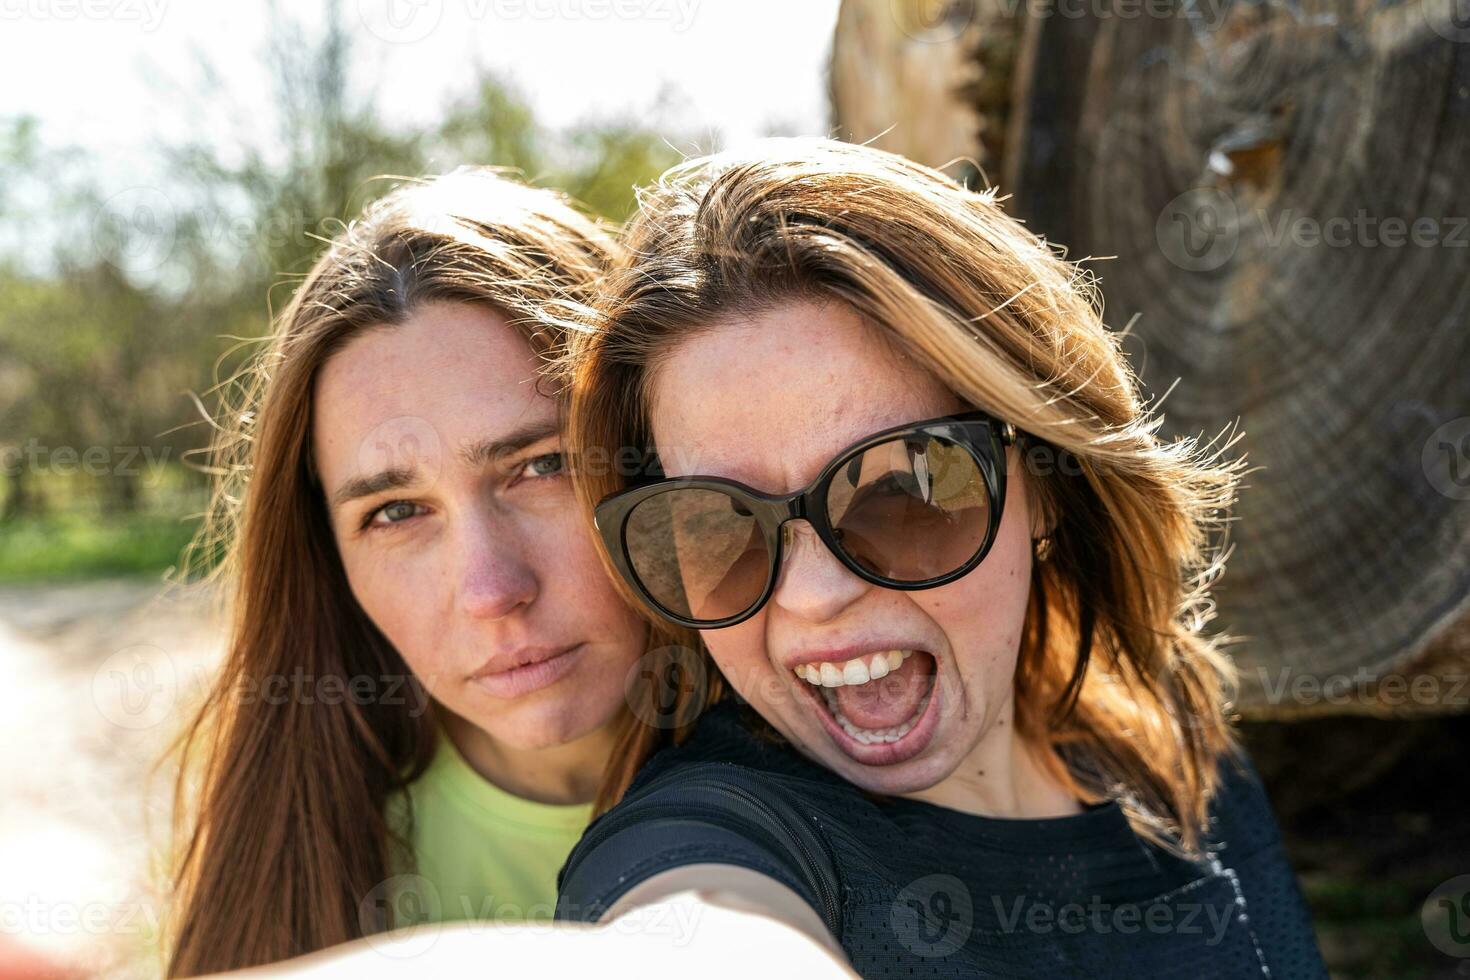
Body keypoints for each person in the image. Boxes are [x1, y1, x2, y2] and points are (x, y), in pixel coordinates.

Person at [556, 138, 1327, 978]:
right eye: (718, 525)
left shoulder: (1175, 741)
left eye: (904, 490)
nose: (812, 595)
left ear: (1045, 476)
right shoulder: (712, 835)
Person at [166, 169, 711, 976]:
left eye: (540, 467)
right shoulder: (313, 863)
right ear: (328, 559)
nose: (492, 591)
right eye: (395, 512)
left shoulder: (849, 762)